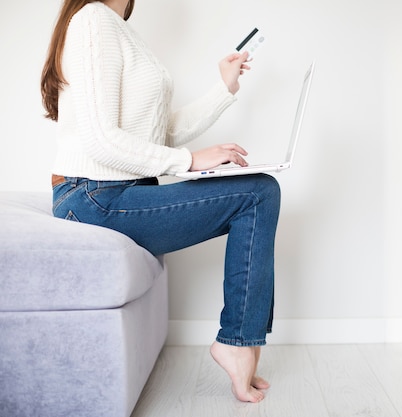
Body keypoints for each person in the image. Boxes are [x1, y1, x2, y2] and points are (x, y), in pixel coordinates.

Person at [40, 0, 280, 403]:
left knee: (258, 190)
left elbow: (157, 134)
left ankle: (240, 341)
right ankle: (238, 342)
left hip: (117, 190)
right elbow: (102, 140)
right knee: (257, 194)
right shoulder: (93, 20)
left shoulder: (119, 30)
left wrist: (225, 88)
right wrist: (189, 161)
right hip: (92, 196)